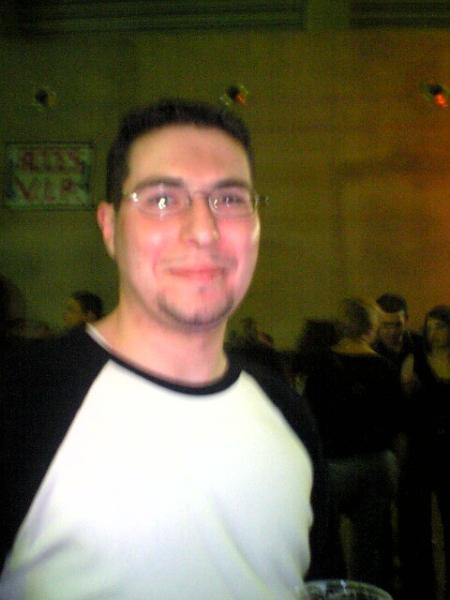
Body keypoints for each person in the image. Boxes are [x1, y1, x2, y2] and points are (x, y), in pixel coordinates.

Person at [0, 99, 335, 599]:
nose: (203, 230)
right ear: (109, 228)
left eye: (230, 199)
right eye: (161, 199)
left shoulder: (287, 412)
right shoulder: (20, 399)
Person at [303, 298, 401, 593]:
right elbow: (395, 420)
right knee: (368, 548)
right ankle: (363, 592)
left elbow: (309, 416)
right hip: (376, 464)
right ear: (372, 327)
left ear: (342, 325)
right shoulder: (384, 367)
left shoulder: (321, 365)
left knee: (327, 542)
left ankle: (333, 592)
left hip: (335, 465)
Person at [398, 305, 450, 600]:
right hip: (421, 445)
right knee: (415, 520)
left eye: (440, 326)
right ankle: (420, 587)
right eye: (430, 327)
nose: (434, 333)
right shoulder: (415, 359)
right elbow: (404, 404)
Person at [374, 293, 421, 369]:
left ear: (406, 320)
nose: (393, 332)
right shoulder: (369, 351)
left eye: (398, 325)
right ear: (375, 321)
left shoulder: (421, 344)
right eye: (386, 325)